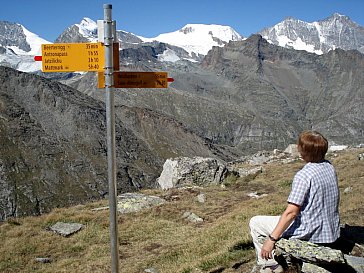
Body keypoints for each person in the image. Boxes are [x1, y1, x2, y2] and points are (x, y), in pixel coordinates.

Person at [249, 130, 340, 273]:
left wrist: (271, 240)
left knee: (255, 222)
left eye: (300, 145)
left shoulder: (304, 176)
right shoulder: (329, 166)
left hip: (310, 231)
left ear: (304, 151)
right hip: (331, 231)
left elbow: (291, 213)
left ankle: (269, 263)